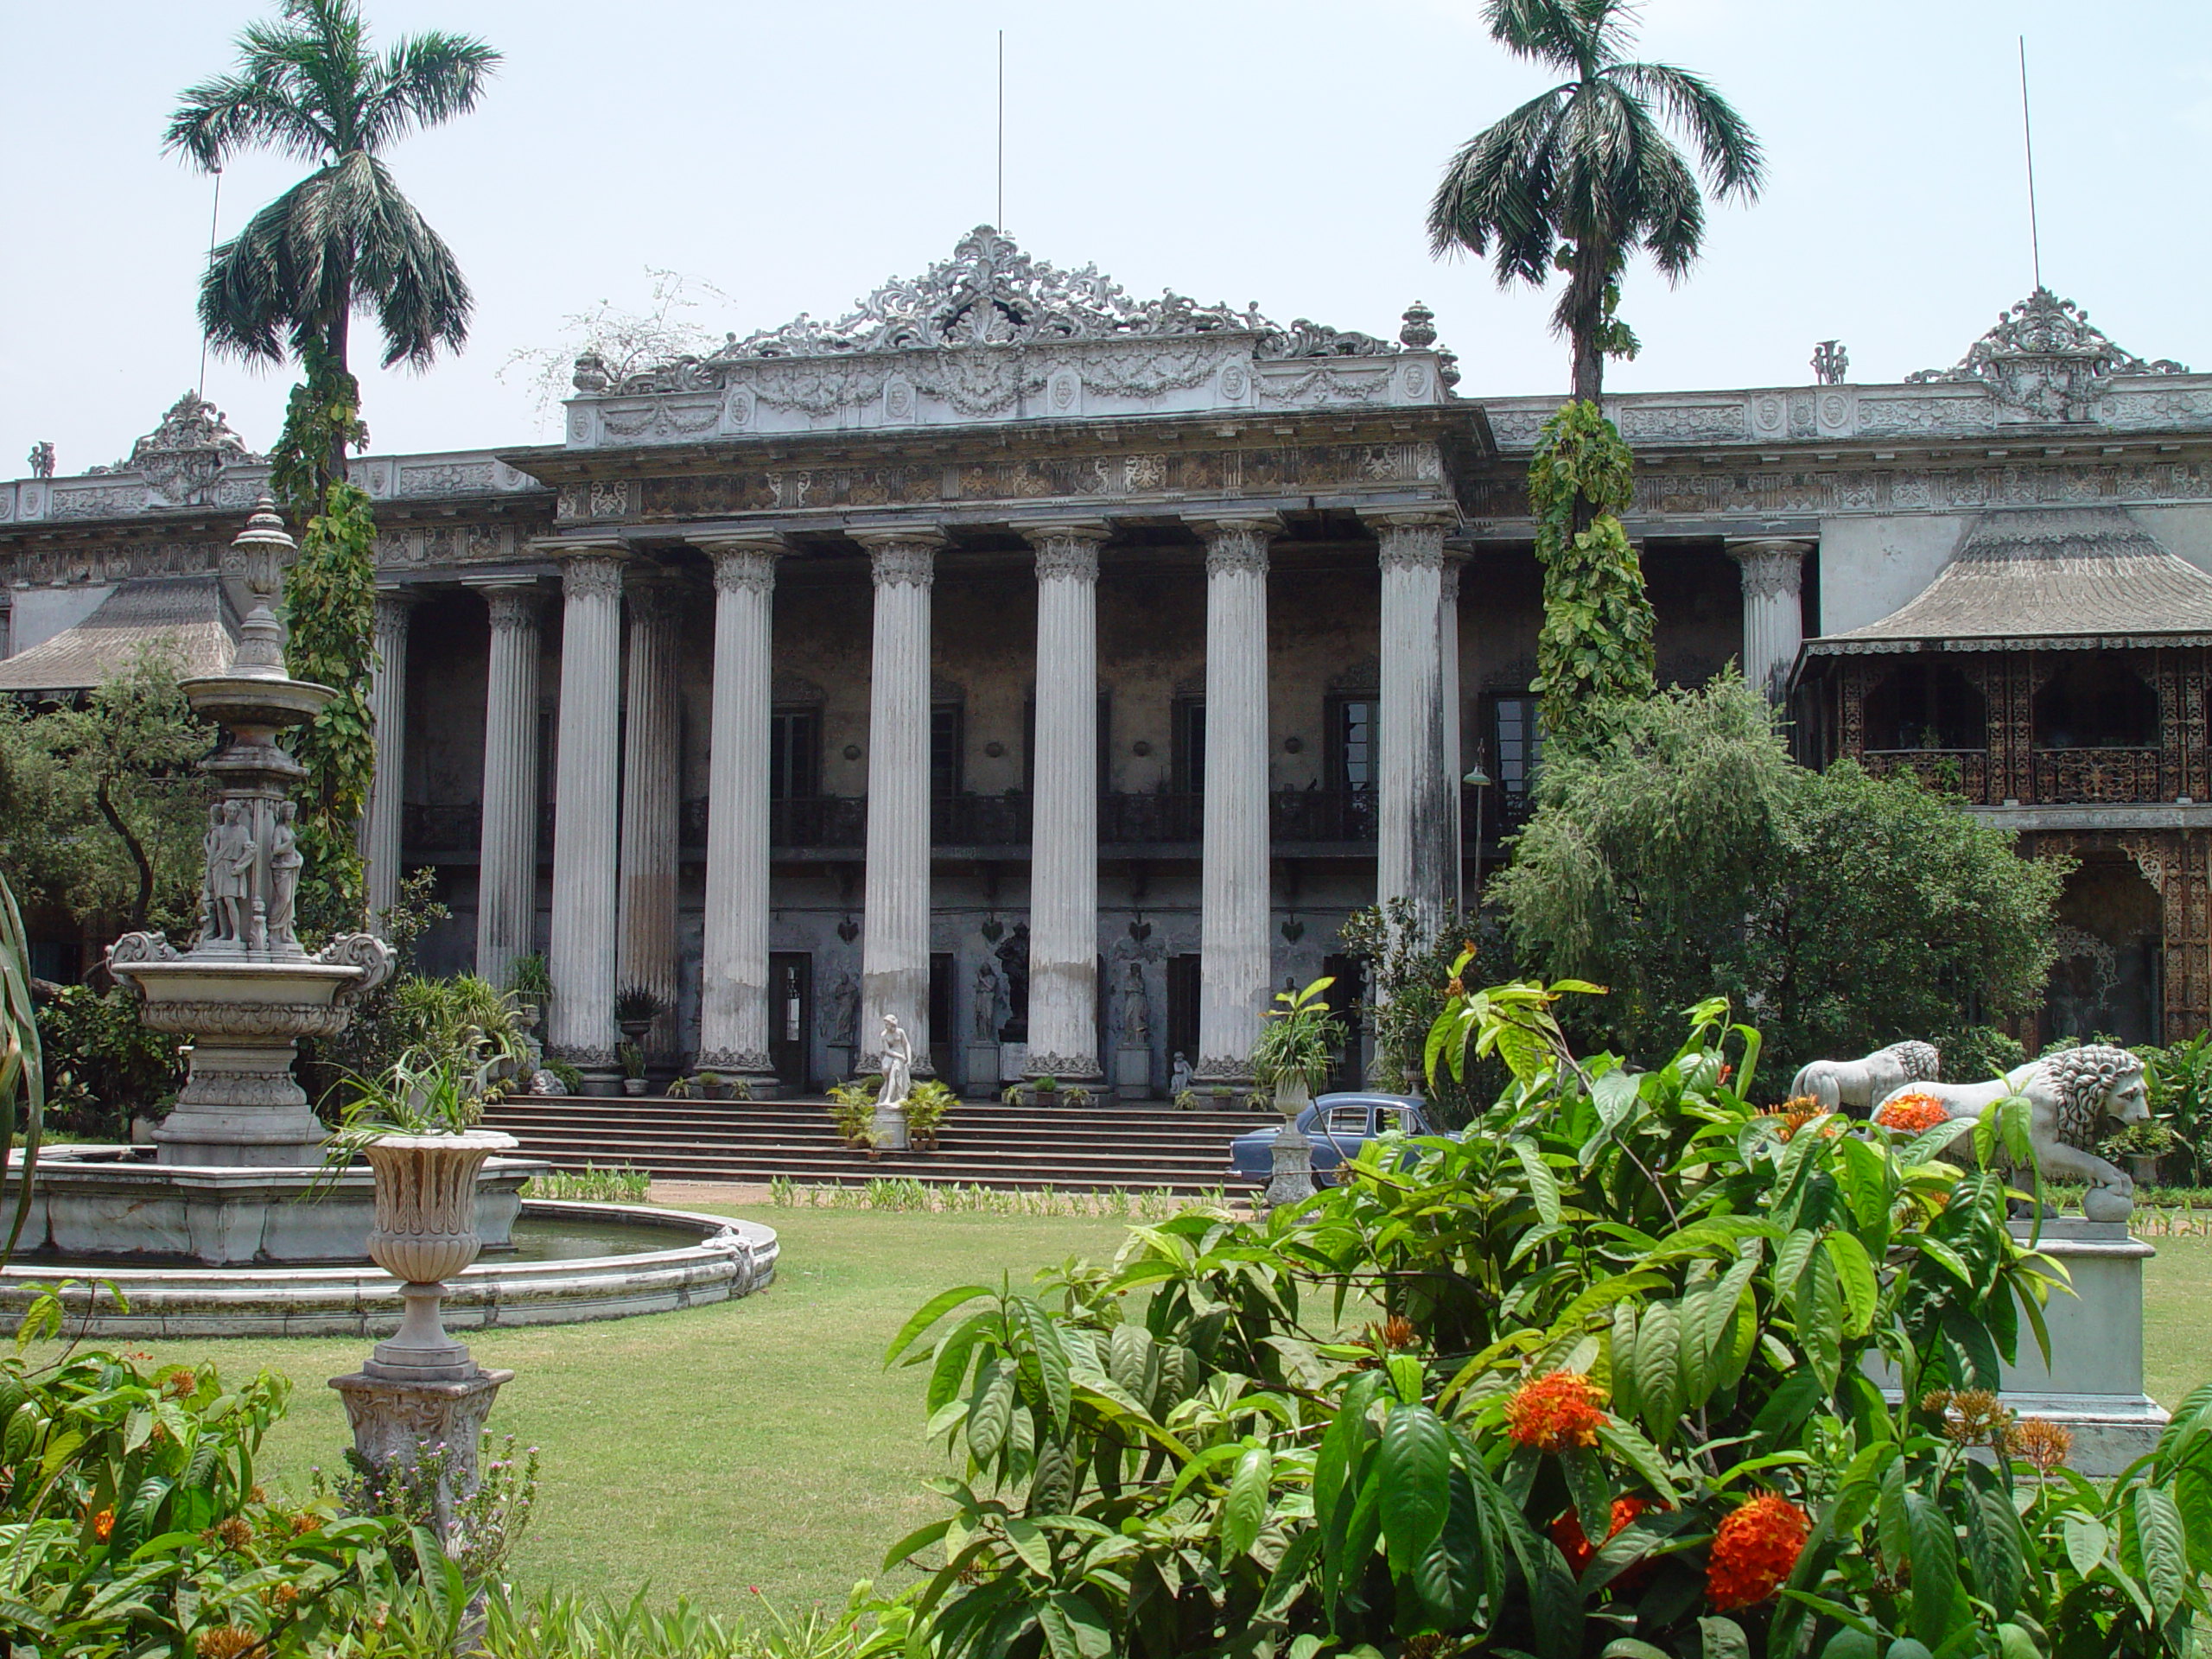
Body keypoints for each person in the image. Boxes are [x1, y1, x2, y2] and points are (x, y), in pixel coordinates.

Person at [876, 1014, 913, 1106]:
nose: (886, 1026)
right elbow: (887, 1050)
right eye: (885, 1024)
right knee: (886, 1070)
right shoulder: (884, 1034)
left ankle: (889, 1097)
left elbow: (906, 1045)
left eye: (887, 1024)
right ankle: (887, 1091)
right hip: (891, 1055)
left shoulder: (900, 1032)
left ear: (892, 1023)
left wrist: (909, 1059)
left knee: (894, 1072)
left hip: (900, 1055)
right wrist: (899, 1056)